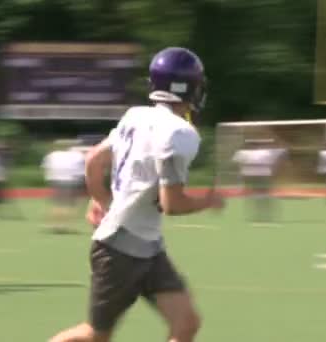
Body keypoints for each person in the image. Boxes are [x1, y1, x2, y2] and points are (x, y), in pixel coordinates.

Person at [50, 47, 224, 342]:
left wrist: (101, 200)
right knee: (95, 335)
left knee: (186, 323)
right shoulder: (180, 133)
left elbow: (94, 159)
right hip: (120, 252)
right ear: (188, 87)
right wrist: (209, 200)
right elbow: (172, 204)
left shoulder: (136, 115)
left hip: (148, 246)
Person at [41, 140, 86, 233]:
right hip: (72, 181)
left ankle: (55, 225)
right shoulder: (77, 155)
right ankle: (67, 225)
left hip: (56, 180)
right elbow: (82, 168)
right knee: (71, 205)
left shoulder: (52, 155)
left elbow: (46, 167)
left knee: (57, 204)